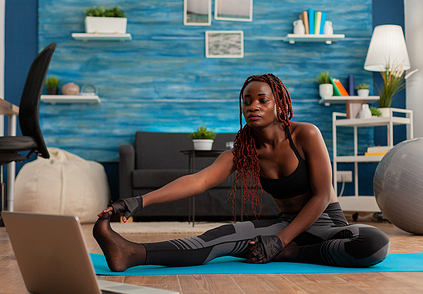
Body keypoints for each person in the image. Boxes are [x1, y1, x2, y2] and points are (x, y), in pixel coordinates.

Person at [93, 73, 390, 272]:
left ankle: (290, 254)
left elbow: (323, 194)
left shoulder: (305, 134)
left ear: (279, 104)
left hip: (326, 226)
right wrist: (138, 201)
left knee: (375, 243)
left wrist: (281, 243)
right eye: (247, 101)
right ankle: (131, 253)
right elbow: (198, 181)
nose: (253, 106)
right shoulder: (242, 151)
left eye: (262, 100)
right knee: (216, 237)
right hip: (284, 225)